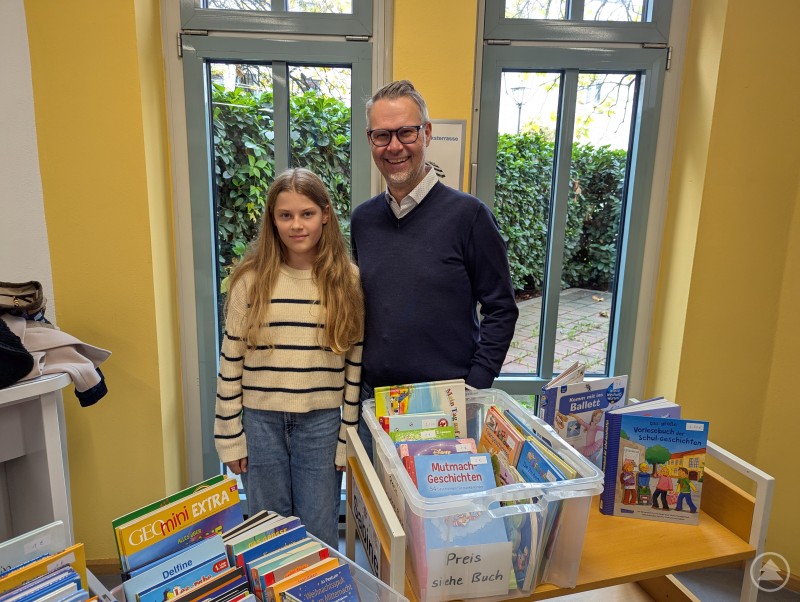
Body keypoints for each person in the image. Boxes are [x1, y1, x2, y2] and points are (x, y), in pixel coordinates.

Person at [351, 80, 518, 455]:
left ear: (426, 133)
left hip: (446, 410)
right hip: (374, 406)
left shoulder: (470, 217)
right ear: (370, 140)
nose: (395, 146)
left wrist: (474, 387)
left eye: (406, 132)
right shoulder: (362, 220)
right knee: (374, 495)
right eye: (382, 135)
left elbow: (501, 308)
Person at [213, 168, 364, 549]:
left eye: (307, 213)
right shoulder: (250, 280)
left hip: (322, 424)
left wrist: (347, 437)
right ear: (273, 219)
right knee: (267, 533)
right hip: (261, 425)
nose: (297, 225)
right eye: (286, 215)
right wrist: (229, 436)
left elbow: (354, 366)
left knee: (319, 532)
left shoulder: (347, 280)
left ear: (325, 215)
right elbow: (231, 361)